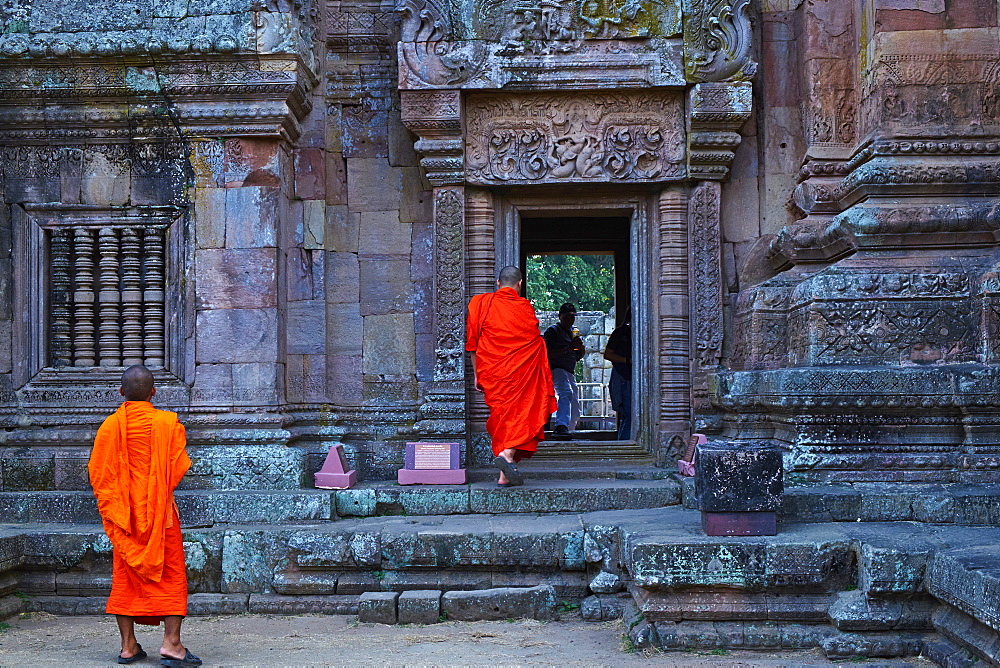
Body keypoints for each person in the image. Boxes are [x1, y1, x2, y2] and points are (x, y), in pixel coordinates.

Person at [88, 365, 202, 667]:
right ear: (154, 392)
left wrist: (120, 505)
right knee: (171, 574)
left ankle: (127, 646)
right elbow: (177, 468)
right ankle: (172, 644)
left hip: (124, 517)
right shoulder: (168, 424)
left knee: (125, 577)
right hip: (160, 516)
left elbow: (99, 475)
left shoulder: (109, 427)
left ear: (121, 392)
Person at [467, 266, 558, 486]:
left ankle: (504, 473)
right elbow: (534, 341)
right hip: (522, 373)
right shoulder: (524, 307)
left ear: (498, 283)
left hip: (493, 372)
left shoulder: (481, 304)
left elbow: (473, 344)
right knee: (524, 413)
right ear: (520, 284)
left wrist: (477, 374)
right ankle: (507, 455)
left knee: (503, 418)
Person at [543, 302, 584, 439]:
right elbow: (547, 353)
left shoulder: (572, 331)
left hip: (569, 370)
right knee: (565, 393)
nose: (570, 320)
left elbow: (577, 355)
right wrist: (568, 348)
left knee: (574, 403)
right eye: (567, 317)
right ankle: (561, 426)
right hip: (556, 368)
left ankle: (569, 427)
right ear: (560, 316)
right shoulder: (553, 331)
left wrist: (580, 348)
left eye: (572, 317)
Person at [603, 307, 632, 440]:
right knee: (631, 415)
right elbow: (608, 354)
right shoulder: (621, 333)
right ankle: (624, 445)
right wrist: (628, 361)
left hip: (629, 378)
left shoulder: (636, 333)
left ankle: (623, 444)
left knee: (630, 416)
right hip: (623, 377)